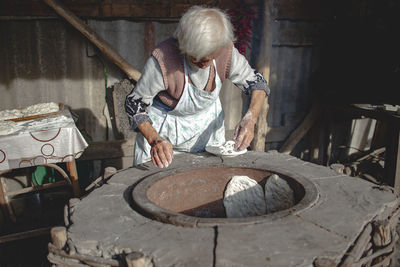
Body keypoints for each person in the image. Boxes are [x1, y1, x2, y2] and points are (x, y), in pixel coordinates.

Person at [125, 5, 270, 168]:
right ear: (183, 45)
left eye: (208, 60)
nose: (203, 64)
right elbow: (134, 104)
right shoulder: (164, 59)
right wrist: (154, 139)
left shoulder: (225, 51)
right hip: (165, 135)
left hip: (207, 134)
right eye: (196, 59)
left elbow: (257, 84)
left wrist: (251, 118)